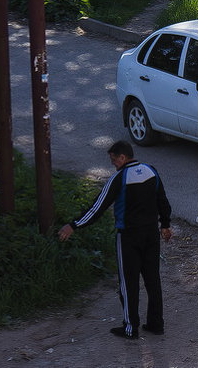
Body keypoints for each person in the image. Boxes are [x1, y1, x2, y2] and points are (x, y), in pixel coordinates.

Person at [58, 141, 173, 340]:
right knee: (153, 280)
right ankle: (156, 324)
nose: (112, 164)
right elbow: (162, 200)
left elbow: (98, 208)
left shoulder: (119, 178)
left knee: (128, 284)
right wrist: (165, 225)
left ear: (122, 157)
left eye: (113, 159)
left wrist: (73, 225)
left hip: (128, 237)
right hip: (151, 235)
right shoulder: (151, 171)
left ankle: (130, 328)